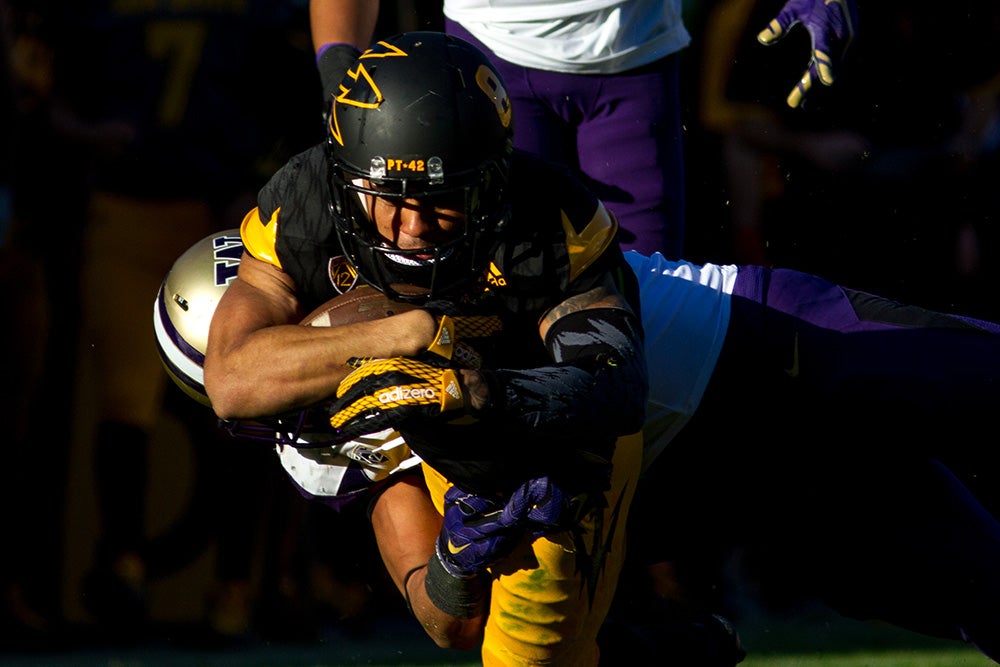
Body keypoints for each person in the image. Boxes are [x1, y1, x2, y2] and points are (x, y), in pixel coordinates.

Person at [200, 31, 648, 667]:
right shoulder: (320, 438)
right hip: (520, 417)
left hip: (601, 361)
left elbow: (614, 383)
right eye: (389, 199)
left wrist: (444, 360)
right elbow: (235, 383)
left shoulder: (545, 217)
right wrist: (453, 559)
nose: (412, 230)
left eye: (439, 201)